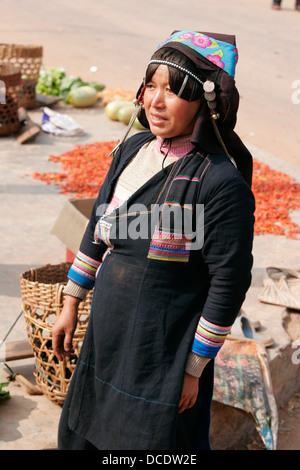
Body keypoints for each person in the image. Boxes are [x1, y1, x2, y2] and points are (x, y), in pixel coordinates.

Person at [52, 30, 255, 450]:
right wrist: (71, 302)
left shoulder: (219, 183)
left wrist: (194, 368)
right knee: (86, 431)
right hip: (108, 332)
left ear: (207, 103)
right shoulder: (133, 151)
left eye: (174, 91)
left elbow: (228, 283)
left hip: (164, 352)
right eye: (152, 87)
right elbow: (98, 228)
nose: (155, 102)